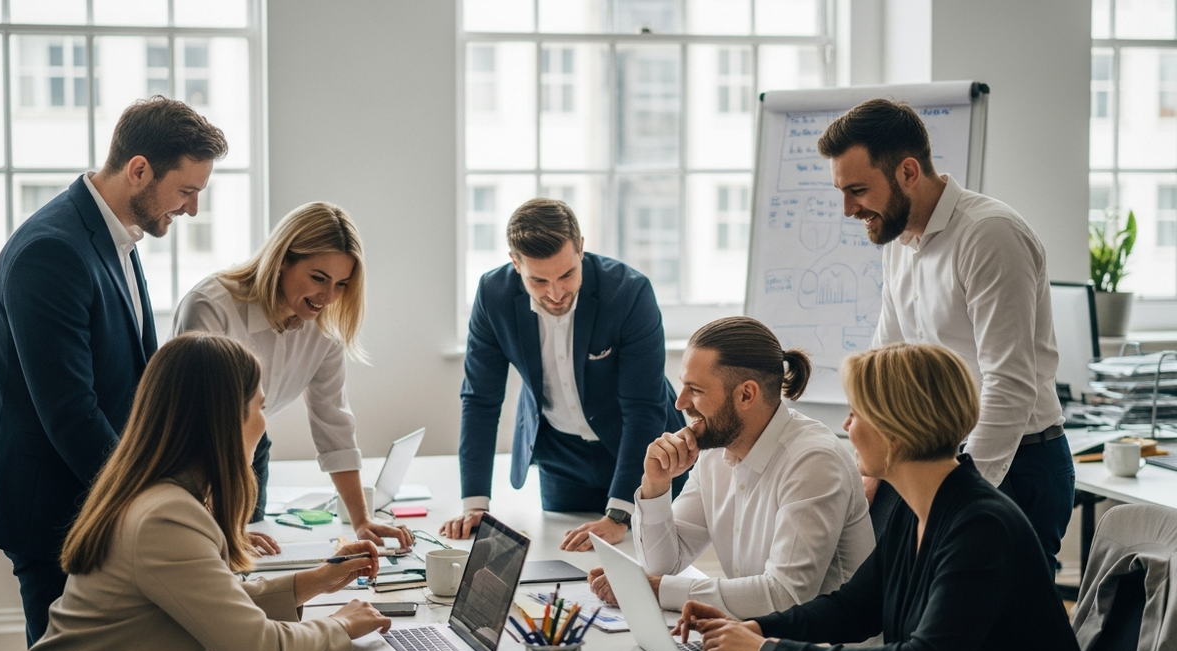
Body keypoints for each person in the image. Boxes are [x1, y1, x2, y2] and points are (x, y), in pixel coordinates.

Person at [674, 343, 1095, 651]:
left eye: (857, 413)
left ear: (896, 431)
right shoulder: (917, 509)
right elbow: (852, 609)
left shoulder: (980, 526)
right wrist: (751, 628)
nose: (846, 425)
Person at [0, 333, 392, 651]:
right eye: (260, 407)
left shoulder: (158, 494)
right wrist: (341, 625)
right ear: (223, 419)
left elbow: (212, 603)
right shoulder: (164, 518)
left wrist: (314, 581)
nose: (264, 421)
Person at [0, 96, 228, 646]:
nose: (190, 210)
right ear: (139, 169)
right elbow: (70, 411)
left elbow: (133, 377)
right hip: (54, 501)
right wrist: (151, 497)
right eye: (185, 191)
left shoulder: (118, 234)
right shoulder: (52, 250)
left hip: (97, 485)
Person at [817, 98, 1072, 573]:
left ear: (908, 172)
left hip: (1015, 459)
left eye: (857, 190)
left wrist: (960, 495)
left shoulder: (988, 236)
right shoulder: (898, 240)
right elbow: (884, 365)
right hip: (937, 459)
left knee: (1005, 635)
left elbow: (1009, 384)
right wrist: (868, 466)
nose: (849, 209)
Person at [587, 317, 874, 619]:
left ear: (746, 394)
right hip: (758, 639)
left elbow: (786, 596)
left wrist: (655, 589)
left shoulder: (813, 461)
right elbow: (663, 566)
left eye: (695, 390)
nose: (680, 403)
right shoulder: (715, 454)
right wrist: (655, 485)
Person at [443, 198, 685, 551]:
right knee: (564, 559)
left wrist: (619, 514)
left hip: (638, 451)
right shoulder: (493, 295)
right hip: (560, 455)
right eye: (538, 280)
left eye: (567, 275)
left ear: (581, 249)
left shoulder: (629, 293)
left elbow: (643, 408)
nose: (555, 293)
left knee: (645, 560)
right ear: (515, 263)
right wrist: (475, 504)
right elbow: (480, 400)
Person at [173, 201, 413, 551]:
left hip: (251, 446)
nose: (328, 297)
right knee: (204, 552)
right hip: (190, 449)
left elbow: (334, 423)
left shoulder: (323, 330)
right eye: (318, 278)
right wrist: (224, 529)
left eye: (341, 284)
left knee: (255, 552)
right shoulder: (212, 306)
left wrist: (361, 520)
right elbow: (200, 425)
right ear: (282, 260)